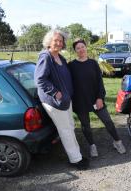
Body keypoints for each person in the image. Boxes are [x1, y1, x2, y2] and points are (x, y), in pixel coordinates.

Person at [34, 29, 89, 170]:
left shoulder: (60, 57)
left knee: (70, 127)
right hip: (55, 101)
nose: (58, 43)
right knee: (65, 130)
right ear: (49, 42)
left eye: (61, 41)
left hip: (65, 99)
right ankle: (76, 159)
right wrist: (55, 92)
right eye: (55, 41)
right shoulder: (45, 57)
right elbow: (39, 80)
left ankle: (77, 154)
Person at [68, 39, 126, 157]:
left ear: (86, 48)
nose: (81, 49)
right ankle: (92, 146)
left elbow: (100, 82)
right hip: (80, 101)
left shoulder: (93, 63)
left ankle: (117, 141)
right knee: (86, 126)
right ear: (75, 51)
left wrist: (100, 98)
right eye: (78, 48)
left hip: (96, 99)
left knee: (108, 121)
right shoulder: (71, 66)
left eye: (82, 47)